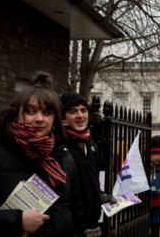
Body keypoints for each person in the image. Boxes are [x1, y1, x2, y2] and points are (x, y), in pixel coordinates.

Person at [0, 72, 75, 236]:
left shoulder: (61, 158)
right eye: (31, 111)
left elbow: (69, 212)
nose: (39, 119)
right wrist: (17, 220)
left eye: (46, 113)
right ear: (18, 115)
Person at [60, 92, 111, 237]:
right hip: (72, 228)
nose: (80, 115)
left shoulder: (91, 144)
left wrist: (100, 195)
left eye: (83, 110)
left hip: (93, 226)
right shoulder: (59, 146)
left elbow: (89, 180)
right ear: (63, 117)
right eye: (72, 112)